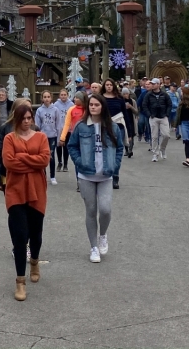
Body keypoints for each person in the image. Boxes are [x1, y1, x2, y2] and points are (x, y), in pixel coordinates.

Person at [1, 99, 51, 301]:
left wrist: (22, 157)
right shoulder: (9, 139)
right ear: (17, 119)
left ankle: (35, 261)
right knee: (20, 237)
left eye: (29, 118)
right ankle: (20, 281)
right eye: (23, 118)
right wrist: (33, 162)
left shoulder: (41, 137)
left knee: (36, 235)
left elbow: (45, 160)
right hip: (15, 193)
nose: (27, 122)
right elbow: (9, 163)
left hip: (37, 192)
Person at [67, 91, 123, 262]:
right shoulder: (81, 126)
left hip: (106, 175)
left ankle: (103, 235)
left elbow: (120, 147)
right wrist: (79, 162)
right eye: (91, 105)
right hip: (86, 175)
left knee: (105, 209)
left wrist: (115, 165)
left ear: (102, 106)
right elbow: (72, 146)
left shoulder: (112, 126)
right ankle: (93, 248)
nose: (93, 107)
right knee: (91, 211)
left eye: (96, 105)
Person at [102, 79, 127, 188]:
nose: (108, 87)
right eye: (107, 85)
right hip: (104, 126)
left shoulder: (119, 99)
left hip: (118, 126)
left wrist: (130, 133)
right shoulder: (101, 98)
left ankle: (115, 176)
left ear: (114, 86)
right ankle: (106, 174)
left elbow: (125, 115)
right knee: (106, 150)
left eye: (110, 85)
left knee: (117, 151)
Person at [35, 90, 62, 185]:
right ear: (42, 98)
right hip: (43, 136)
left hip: (52, 136)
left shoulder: (55, 110)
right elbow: (37, 125)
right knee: (42, 156)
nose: (46, 99)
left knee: (51, 156)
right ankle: (43, 175)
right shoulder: (39, 110)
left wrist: (59, 138)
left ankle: (52, 176)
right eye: (45, 97)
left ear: (51, 98)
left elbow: (58, 125)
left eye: (48, 97)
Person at [144, 78, 171, 162]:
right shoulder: (148, 95)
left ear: (159, 85)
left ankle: (162, 149)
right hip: (153, 117)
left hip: (163, 117)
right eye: (151, 83)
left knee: (166, 135)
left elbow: (169, 104)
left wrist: (167, 114)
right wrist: (149, 114)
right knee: (154, 137)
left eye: (154, 83)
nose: (152, 85)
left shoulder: (164, 94)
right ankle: (155, 154)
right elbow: (144, 105)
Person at [52, 90, 74, 172]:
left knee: (66, 147)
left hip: (68, 129)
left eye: (65, 95)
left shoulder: (71, 104)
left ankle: (65, 164)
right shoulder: (56, 104)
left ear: (67, 95)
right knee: (59, 146)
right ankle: (60, 162)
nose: (63, 96)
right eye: (62, 95)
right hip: (59, 128)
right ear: (59, 96)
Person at [119, 86, 138, 158]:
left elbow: (136, 112)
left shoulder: (133, 101)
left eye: (127, 94)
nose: (126, 95)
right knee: (125, 136)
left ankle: (130, 150)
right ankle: (126, 150)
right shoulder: (120, 101)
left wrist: (131, 107)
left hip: (131, 120)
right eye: (124, 94)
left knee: (131, 135)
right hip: (123, 120)